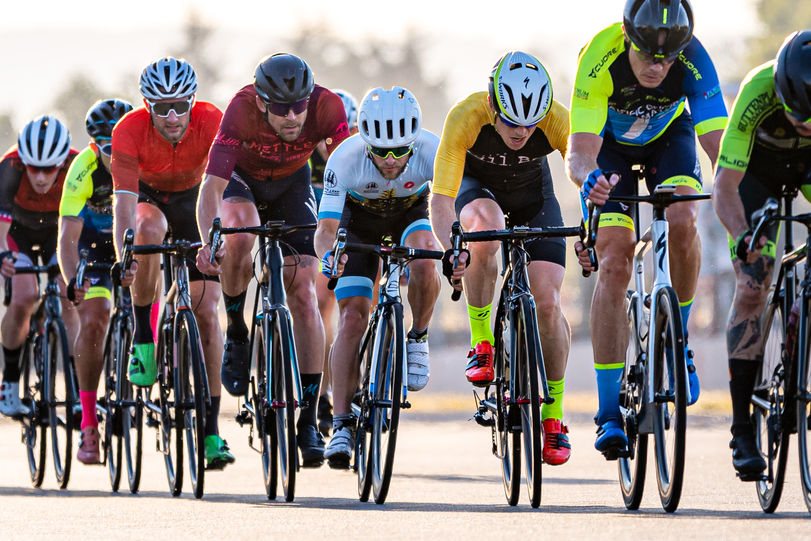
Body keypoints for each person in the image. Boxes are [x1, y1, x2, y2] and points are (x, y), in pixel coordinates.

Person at [569, 0, 727, 457]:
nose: (658, 67)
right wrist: (588, 180)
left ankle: (678, 339)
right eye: (647, 55)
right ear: (626, 35)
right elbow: (579, 154)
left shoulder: (695, 60)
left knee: (683, 215)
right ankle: (607, 414)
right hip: (608, 151)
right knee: (614, 262)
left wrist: (730, 187)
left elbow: (719, 147)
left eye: (668, 57)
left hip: (669, 143)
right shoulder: (600, 56)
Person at [195, 53, 350, 468]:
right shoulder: (242, 109)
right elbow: (212, 187)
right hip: (242, 185)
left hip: (292, 185)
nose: (293, 116)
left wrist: (346, 233)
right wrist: (211, 237)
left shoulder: (326, 107)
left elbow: (347, 176)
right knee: (240, 232)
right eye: (281, 108)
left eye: (298, 104)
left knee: (304, 293)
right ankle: (237, 328)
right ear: (262, 102)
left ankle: (308, 422)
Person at [429, 51, 575, 465]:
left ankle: (554, 417)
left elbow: (583, 172)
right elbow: (440, 199)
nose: (521, 132)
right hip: (477, 192)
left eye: (531, 123)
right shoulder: (466, 116)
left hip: (535, 199)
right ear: (493, 104)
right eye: (512, 122)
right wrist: (451, 248)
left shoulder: (557, 119)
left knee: (548, 304)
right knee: (484, 226)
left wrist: (597, 224)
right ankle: (481, 340)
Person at [111, 57, 234, 470]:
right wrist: (123, 256)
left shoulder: (212, 120)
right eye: (161, 107)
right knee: (146, 229)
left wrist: (215, 240)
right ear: (147, 105)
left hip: (196, 202)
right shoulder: (128, 130)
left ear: (192, 101)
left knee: (207, 316)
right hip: (150, 201)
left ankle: (212, 431)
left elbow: (224, 190)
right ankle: (144, 337)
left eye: (180, 105)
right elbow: (124, 208)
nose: (172, 116)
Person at [315, 86, 441, 468]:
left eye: (399, 151)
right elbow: (326, 229)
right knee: (353, 315)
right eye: (380, 151)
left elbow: (452, 208)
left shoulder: (433, 150)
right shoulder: (345, 157)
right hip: (358, 226)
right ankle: (340, 424)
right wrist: (328, 259)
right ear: (365, 141)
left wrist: (457, 251)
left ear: (413, 141)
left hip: (411, 214)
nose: (390, 160)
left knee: (425, 256)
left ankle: (417, 335)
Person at [712, 30, 811, 480]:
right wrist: (741, 238)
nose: (805, 124)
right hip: (757, 176)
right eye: (799, 115)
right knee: (754, 282)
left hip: (808, 167)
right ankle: (742, 429)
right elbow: (724, 186)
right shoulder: (758, 90)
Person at [58, 99, 132, 463]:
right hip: (95, 252)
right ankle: (89, 423)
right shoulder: (82, 169)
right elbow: (66, 239)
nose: (116, 157)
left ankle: (155, 357)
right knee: (95, 317)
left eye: (123, 146)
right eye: (108, 149)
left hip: (132, 246)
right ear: (94, 146)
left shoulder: (144, 158)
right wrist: (73, 280)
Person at [0, 116, 78, 417]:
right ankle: (8, 383)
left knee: (67, 296)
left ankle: (74, 387)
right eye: (34, 168)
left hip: (56, 233)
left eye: (49, 169)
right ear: (23, 161)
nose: (42, 177)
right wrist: (3, 255)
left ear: (63, 162)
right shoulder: (9, 168)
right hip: (16, 233)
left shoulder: (76, 166)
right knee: (24, 296)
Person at [310, 88, 359, 437]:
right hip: (318, 235)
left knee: (359, 306)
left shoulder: (358, 154)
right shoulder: (307, 158)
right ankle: (323, 392)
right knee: (322, 300)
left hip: (354, 232)